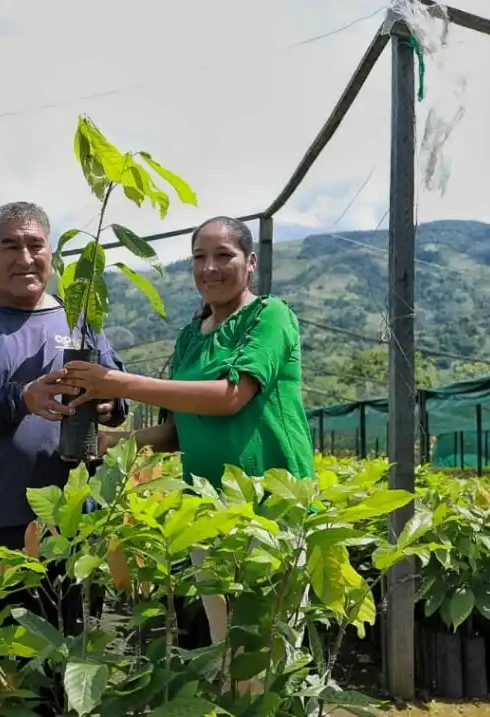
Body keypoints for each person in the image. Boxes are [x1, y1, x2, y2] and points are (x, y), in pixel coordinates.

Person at [58, 215, 315, 679]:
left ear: (250, 262)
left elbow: (231, 397)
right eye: (200, 257)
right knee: (227, 650)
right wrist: (113, 442)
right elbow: (177, 432)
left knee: (271, 656)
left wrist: (117, 383)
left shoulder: (270, 316)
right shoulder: (189, 337)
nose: (210, 268)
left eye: (224, 256)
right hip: (207, 510)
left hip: (272, 508)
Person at [0, 201, 129, 620]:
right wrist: (21, 397)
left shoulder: (79, 320)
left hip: (65, 524)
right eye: (11, 246)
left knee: (56, 648)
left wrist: (109, 405)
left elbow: (117, 390)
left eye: (36, 245)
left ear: (51, 253)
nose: (26, 258)